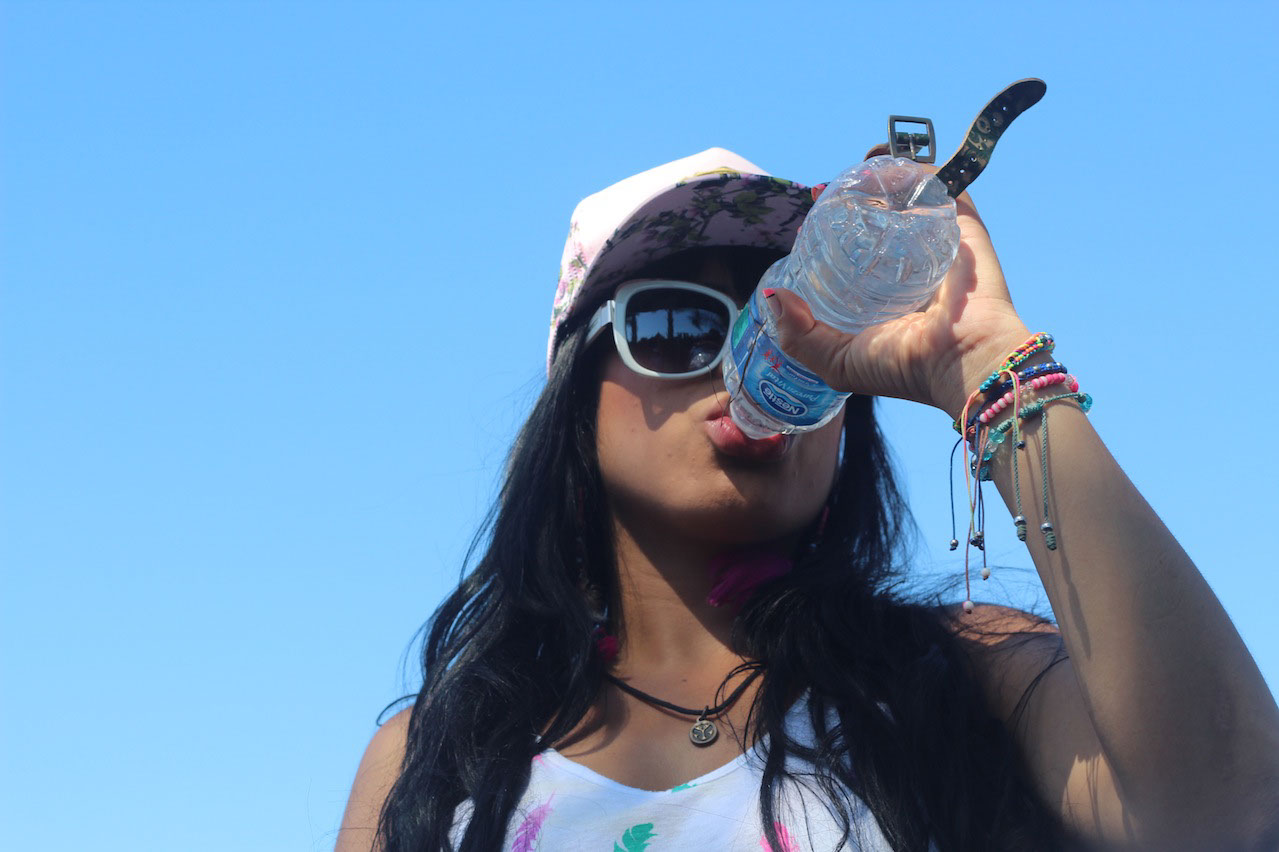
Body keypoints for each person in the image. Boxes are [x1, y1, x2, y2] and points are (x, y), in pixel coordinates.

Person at [336, 148, 1279, 851]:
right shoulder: (437, 756)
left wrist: (987, 365)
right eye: (674, 325)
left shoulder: (965, 674)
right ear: (576, 399)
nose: (740, 365)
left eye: (793, 332)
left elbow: (1222, 809)